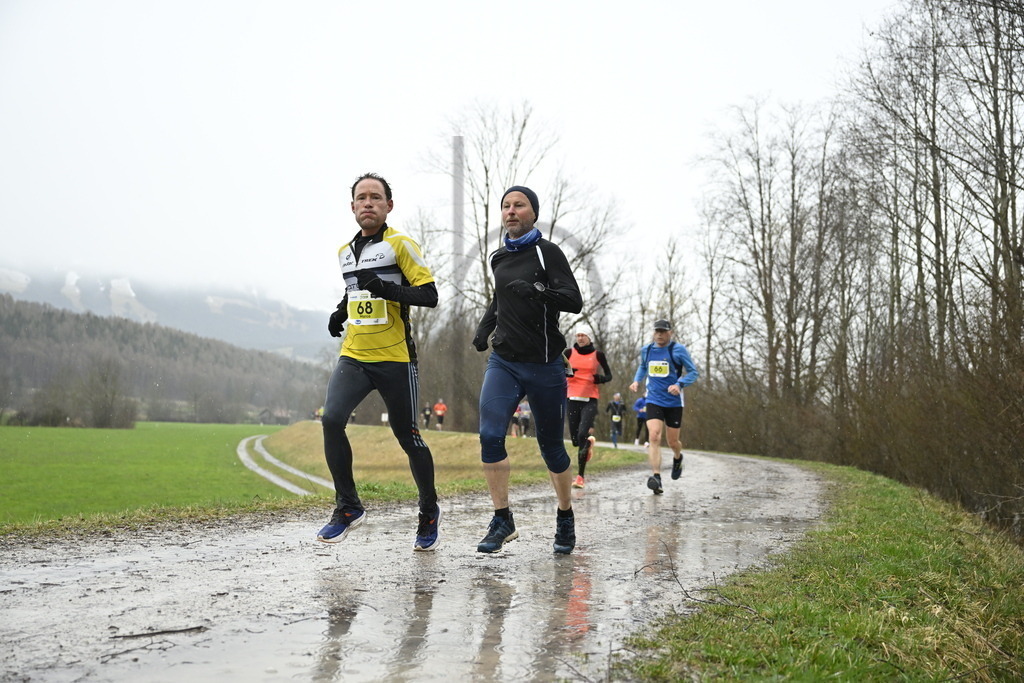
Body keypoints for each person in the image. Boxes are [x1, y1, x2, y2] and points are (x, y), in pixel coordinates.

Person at [318, 172, 441, 551]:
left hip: (395, 358)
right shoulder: (345, 251)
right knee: (332, 419)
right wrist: (341, 312)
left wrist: (386, 288)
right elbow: (355, 290)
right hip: (354, 354)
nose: (368, 203)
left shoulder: (400, 244)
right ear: (352, 207)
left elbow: (429, 295)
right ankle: (349, 507)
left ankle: (428, 510)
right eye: (361, 198)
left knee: (407, 435)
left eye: (376, 197)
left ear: (389, 205)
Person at [471, 185, 583, 554]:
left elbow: (573, 300)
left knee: (551, 447)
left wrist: (539, 291)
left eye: (519, 205)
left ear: (534, 212)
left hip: (545, 364)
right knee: (490, 435)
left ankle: (564, 515)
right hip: (504, 361)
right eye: (506, 206)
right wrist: (485, 327)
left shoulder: (548, 252)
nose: (511, 211)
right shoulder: (499, 257)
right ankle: (502, 518)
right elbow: (500, 298)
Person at [629, 319, 699, 494]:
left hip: (674, 402)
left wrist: (680, 384)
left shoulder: (678, 350)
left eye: (663, 331)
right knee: (653, 436)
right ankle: (656, 477)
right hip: (653, 398)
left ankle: (677, 457)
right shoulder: (646, 350)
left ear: (670, 333)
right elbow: (643, 367)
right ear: (654, 333)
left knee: (673, 442)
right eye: (657, 331)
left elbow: (693, 372)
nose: (659, 334)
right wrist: (637, 380)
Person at [564, 325, 612, 488]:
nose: (580, 338)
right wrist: (568, 372)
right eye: (577, 335)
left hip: (590, 399)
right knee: (576, 440)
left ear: (589, 337)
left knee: (583, 433)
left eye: (583, 335)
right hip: (572, 398)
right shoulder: (568, 353)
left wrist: (600, 379)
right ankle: (588, 445)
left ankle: (580, 477)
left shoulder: (598, 355)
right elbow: (557, 369)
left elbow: (609, 375)